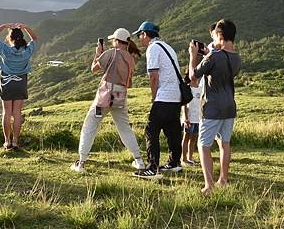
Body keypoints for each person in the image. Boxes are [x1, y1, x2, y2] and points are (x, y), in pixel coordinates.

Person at [71, 28, 146, 172]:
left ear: (117, 41)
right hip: (120, 96)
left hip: (105, 96)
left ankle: (81, 163)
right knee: (125, 129)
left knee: (90, 125)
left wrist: (98, 53)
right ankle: (139, 161)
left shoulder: (111, 53)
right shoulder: (130, 58)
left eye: (113, 40)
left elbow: (94, 69)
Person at [189, 19, 241, 195]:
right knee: (224, 143)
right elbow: (222, 71)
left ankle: (209, 185)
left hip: (212, 107)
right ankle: (223, 179)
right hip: (229, 106)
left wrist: (192, 55)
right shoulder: (236, 57)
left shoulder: (214, 56)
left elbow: (193, 77)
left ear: (219, 35)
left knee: (203, 146)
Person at [132, 21, 182, 180]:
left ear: (145, 34)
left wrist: (154, 97)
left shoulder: (153, 49)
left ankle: (152, 168)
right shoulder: (168, 47)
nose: (140, 39)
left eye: (140, 35)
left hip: (164, 96)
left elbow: (153, 76)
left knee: (151, 131)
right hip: (176, 97)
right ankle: (174, 163)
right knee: (172, 131)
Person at [0, 22, 38, 151]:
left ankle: (7, 141)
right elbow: (35, 39)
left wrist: (4, 26)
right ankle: (15, 142)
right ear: (22, 38)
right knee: (17, 113)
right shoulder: (27, 51)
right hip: (20, 83)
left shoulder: (5, 50)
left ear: (10, 38)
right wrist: (26, 27)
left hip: (6, 83)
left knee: (7, 113)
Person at [181, 71, 201, 167]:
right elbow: (184, 104)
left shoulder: (200, 87)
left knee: (194, 138)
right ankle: (183, 159)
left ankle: (190, 158)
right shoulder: (187, 87)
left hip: (198, 118)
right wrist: (186, 118)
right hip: (189, 117)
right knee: (186, 137)